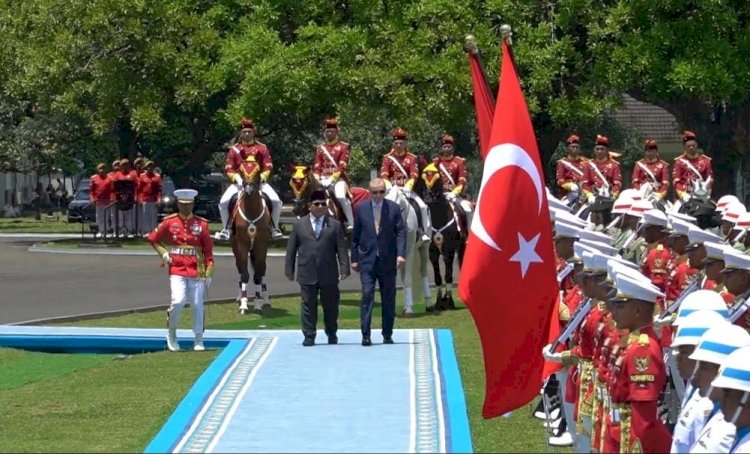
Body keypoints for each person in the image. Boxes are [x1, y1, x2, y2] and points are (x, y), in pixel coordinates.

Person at [148, 189, 214, 352]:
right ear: (178, 204)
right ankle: (171, 333)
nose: (186, 207)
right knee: (178, 301)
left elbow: (208, 251)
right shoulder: (169, 222)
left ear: (193, 204)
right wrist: (164, 254)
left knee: (198, 304)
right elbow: (153, 239)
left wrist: (209, 271)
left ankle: (198, 338)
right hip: (177, 267)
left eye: (189, 204)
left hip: (196, 267)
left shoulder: (202, 224)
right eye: (183, 204)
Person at [285, 189, 350, 346]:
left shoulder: (334, 225)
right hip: (307, 271)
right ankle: (309, 335)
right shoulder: (300, 225)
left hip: (328, 272)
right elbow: (291, 249)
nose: (320, 206)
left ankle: (331, 333)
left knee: (331, 306)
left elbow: (341, 248)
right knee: (308, 305)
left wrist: (344, 268)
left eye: (323, 204)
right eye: (317, 204)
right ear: (309, 206)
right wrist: (289, 270)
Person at [351, 178, 406, 346]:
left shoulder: (394, 208)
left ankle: (387, 334)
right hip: (367, 260)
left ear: (385, 192)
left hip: (388, 261)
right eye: (375, 192)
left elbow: (401, 232)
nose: (378, 195)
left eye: (381, 192)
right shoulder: (361, 209)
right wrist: (354, 258)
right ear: (370, 192)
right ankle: (365, 335)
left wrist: (400, 254)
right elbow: (356, 236)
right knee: (367, 296)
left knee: (388, 298)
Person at [216, 117, 283, 240]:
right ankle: (227, 229)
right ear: (240, 134)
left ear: (254, 133)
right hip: (239, 183)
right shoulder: (234, 150)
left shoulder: (262, 148)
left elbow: (268, 166)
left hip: (258, 183)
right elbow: (229, 168)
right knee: (223, 203)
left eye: (249, 131)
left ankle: (274, 228)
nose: (247, 134)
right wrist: (237, 178)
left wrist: (262, 177)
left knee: (276, 201)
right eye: (244, 132)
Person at [380, 128, 431, 242]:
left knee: (422, 206)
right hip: (392, 189)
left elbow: (414, 174)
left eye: (401, 143)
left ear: (405, 143)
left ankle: (423, 232)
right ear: (393, 143)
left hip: (407, 189)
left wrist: (409, 186)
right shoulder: (387, 158)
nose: (398, 145)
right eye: (396, 143)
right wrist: (388, 186)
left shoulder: (412, 158)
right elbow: (384, 174)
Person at [313, 118, 354, 233]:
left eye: (331, 131)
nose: (329, 133)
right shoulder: (320, 149)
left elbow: (342, 166)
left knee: (340, 196)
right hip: (322, 179)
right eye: (327, 131)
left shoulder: (344, 147)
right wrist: (317, 179)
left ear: (337, 132)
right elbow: (317, 166)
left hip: (338, 179)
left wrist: (331, 179)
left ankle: (350, 221)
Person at [433, 134, 473, 228]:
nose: (446, 148)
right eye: (444, 146)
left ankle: (470, 235)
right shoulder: (436, 163)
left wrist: (454, 193)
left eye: (448, 146)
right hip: (439, 196)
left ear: (453, 148)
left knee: (468, 209)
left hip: (455, 196)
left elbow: (462, 180)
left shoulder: (459, 162)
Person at [672, 130, 713, 202]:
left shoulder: (706, 161)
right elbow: (677, 182)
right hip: (685, 195)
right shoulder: (679, 162)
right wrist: (683, 195)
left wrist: (707, 193)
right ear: (684, 147)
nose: (691, 148)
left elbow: (710, 180)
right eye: (688, 146)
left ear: (696, 145)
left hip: (702, 195)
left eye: (693, 145)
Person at [582, 134, 622, 203]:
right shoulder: (588, 165)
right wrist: (589, 195)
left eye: (602, 149)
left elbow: (617, 183)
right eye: (597, 149)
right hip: (593, 196)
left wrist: (614, 195)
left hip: (609, 197)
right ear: (594, 150)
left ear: (607, 150)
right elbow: (585, 183)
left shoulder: (614, 165)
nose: (599, 151)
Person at [555, 134, 588, 204]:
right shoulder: (562, 163)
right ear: (568, 148)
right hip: (570, 193)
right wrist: (570, 185)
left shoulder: (586, 162)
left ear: (579, 149)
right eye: (572, 147)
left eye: (577, 147)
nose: (575, 149)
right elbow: (559, 180)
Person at [138, 160, 162, 234]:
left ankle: (153, 231)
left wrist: (159, 199)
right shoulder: (142, 176)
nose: (149, 168)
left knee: (153, 216)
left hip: (154, 199)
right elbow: (140, 189)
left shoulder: (157, 177)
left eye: (151, 166)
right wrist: (140, 199)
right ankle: (146, 231)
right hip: (145, 199)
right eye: (148, 166)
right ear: (146, 167)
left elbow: (159, 190)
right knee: (145, 216)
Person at [90, 163, 113, 237]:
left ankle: (105, 231)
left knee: (106, 216)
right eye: (100, 168)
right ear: (97, 170)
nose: (102, 170)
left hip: (107, 200)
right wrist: (92, 198)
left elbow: (112, 190)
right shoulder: (94, 178)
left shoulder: (109, 178)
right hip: (98, 200)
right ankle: (100, 231)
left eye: (103, 168)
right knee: (99, 217)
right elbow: (91, 190)